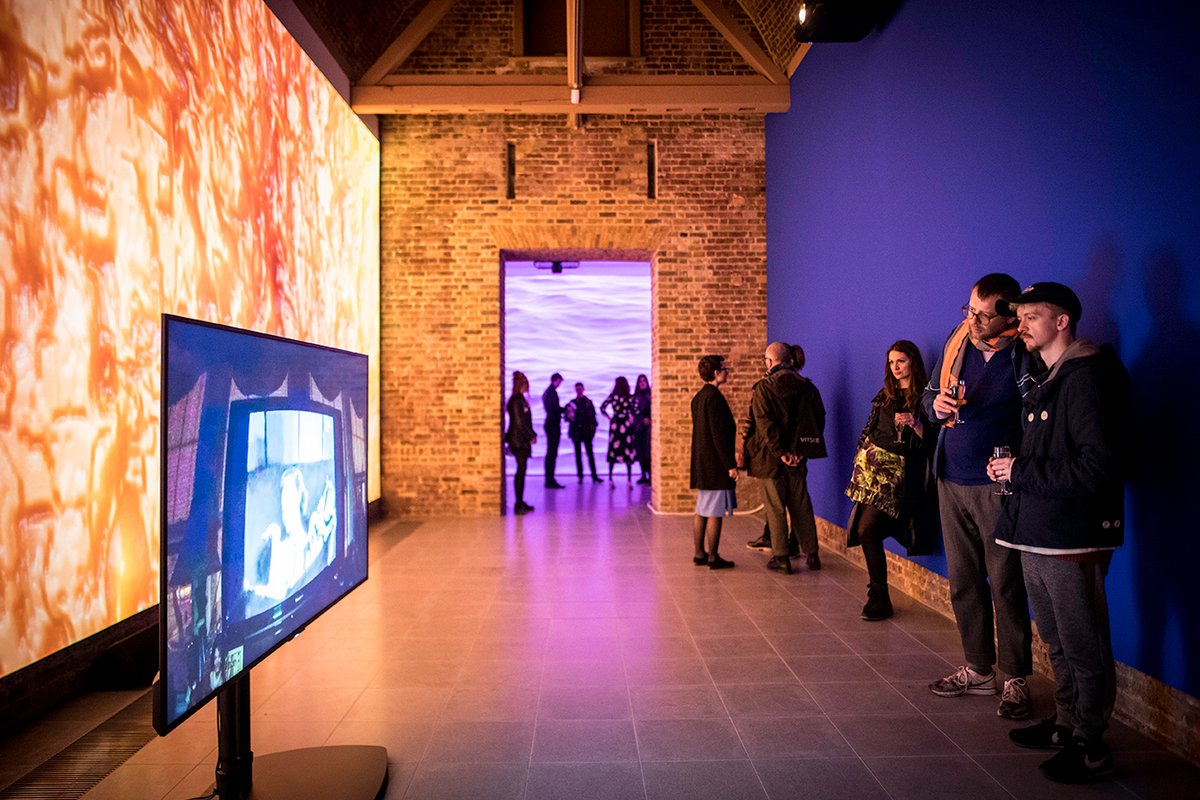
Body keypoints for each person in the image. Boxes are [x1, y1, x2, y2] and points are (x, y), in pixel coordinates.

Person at [987, 283, 1129, 783]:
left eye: (1031, 316)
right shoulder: (1048, 376)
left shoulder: (1088, 377)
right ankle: (1067, 723)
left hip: (1075, 537)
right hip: (1037, 531)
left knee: (1082, 642)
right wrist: (1014, 470)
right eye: (1019, 316)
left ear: (1062, 321)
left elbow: (1098, 469)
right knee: (1057, 641)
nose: (1020, 325)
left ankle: (1091, 743)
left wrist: (1021, 472)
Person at [923, 273, 1036, 720]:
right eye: (968, 310)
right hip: (950, 480)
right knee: (964, 582)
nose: (973, 320)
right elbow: (930, 397)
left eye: (983, 315)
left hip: (998, 488)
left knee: (1006, 583)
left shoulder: (1025, 356)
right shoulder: (958, 341)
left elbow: (1040, 421)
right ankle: (979, 670)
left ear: (1007, 315)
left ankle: (1015, 678)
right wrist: (934, 408)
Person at [844, 340, 938, 621]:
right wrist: (861, 457)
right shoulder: (884, 396)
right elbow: (869, 428)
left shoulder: (924, 398)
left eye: (901, 361)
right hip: (873, 475)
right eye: (892, 362)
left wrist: (916, 424)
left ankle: (879, 596)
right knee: (865, 531)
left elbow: (932, 443)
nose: (896, 368)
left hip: (901, 479)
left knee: (866, 530)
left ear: (913, 362)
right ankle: (879, 597)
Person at [741, 341, 826, 574]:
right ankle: (812, 554)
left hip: (771, 458)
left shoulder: (764, 388)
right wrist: (799, 452)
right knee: (801, 504)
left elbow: (765, 424)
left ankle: (781, 558)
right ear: (789, 360)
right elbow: (818, 420)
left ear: (769, 362)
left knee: (775, 507)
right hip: (799, 457)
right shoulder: (808, 387)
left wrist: (782, 453)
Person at [690, 355, 739, 570]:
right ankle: (713, 556)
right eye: (724, 368)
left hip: (702, 462)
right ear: (716, 373)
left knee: (702, 508)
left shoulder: (698, 398)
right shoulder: (715, 399)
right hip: (715, 465)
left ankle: (699, 553)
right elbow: (719, 435)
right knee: (714, 511)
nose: (727, 371)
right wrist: (730, 465)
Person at [504, 371, 537, 514]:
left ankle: (520, 501)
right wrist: (530, 436)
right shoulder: (517, 401)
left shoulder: (519, 400)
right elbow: (519, 422)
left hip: (520, 439)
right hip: (518, 441)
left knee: (522, 471)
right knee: (521, 471)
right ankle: (518, 503)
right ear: (521, 385)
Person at [601, 376, 638, 483]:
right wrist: (631, 417)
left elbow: (602, 407)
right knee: (627, 448)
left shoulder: (613, 396)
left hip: (615, 423)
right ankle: (629, 480)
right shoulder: (629, 397)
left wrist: (609, 417)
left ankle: (611, 478)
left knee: (613, 450)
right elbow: (637, 408)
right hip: (626, 423)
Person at [565, 382, 602, 483]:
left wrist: (593, 431)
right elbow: (567, 417)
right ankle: (581, 476)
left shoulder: (588, 402)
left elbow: (593, 418)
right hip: (577, 432)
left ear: (583, 389)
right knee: (579, 455)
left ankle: (594, 475)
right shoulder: (572, 403)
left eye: (580, 389)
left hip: (586, 432)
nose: (579, 391)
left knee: (589, 454)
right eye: (577, 389)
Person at [542, 373, 566, 489]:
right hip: (552, 425)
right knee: (552, 453)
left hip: (550, 424)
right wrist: (566, 409)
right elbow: (555, 410)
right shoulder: (552, 392)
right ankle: (550, 479)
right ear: (556, 380)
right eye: (560, 381)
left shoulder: (548, 392)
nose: (560, 384)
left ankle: (549, 478)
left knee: (550, 452)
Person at [633, 373, 652, 484]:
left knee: (648, 452)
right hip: (638, 427)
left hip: (648, 428)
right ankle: (643, 474)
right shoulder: (635, 397)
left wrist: (648, 419)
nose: (642, 383)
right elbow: (634, 412)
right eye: (640, 381)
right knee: (640, 452)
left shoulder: (651, 395)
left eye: (644, 380)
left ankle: (650, 475)